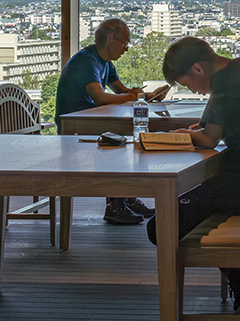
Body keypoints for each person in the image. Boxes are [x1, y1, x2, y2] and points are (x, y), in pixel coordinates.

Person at [148, 36, 240, 304]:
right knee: (183, 209)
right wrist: (195, 133)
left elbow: (209, 138)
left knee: (159, 225)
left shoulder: (226, 84)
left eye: (188, 84)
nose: (194, 92)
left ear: (198, 69)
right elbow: (213, 128)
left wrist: (177, 136)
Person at [55, 18, 168, 224]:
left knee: (128, 138)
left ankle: (127, 198)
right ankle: (116, 204)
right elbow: (101, 98)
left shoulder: (105, 63)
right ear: (110, 38)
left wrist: (150, 95)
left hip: (92, 122)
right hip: (75, 126)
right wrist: (135, 97)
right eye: (125, 43)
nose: (126, 50)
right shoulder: (85, 60)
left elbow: (122, 91)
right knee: (120, 143)